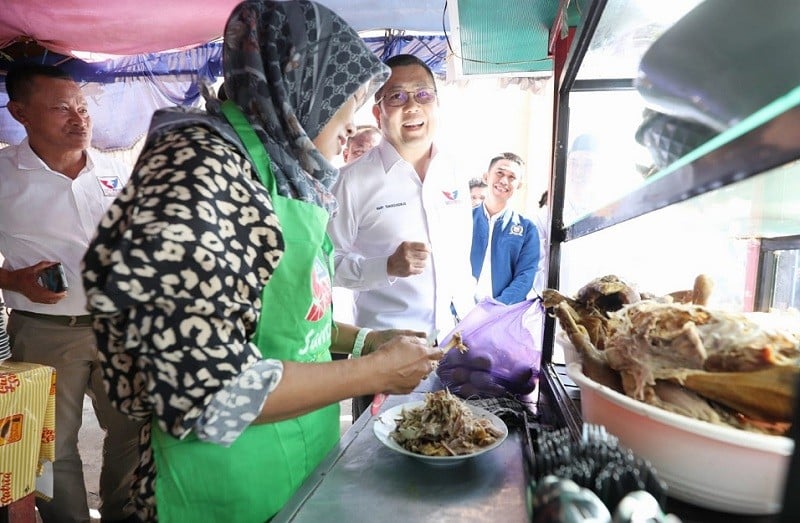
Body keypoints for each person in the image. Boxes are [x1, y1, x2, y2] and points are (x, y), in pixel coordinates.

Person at [80, 2, 443, 521]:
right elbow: (210, 393)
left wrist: (366, 341)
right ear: (298, 83)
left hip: (296, 472)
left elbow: (292, 318)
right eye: (346, 98)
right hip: (219, 489)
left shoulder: (283, 169)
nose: (352, 122)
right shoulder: (197, 171)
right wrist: (372, 372)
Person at [0, 63, 142, 523]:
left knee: (132, 432)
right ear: (20, 113)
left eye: (82, 107)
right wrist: (14, 281)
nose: (79, 119)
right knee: (53, 446)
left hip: (119, 328)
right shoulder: (3, 176)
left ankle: (122, 514)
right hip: (45, 333)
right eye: (62, 108)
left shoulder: (115, 170)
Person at [327, 54, 475, 419]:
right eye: (397, 97)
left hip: (455, 350)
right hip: (386, 357)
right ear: (378, 112)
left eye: (422, 95)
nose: (412, 106)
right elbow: (325, 265)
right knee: (381, 462)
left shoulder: (455, 171)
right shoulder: (351, 181)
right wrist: (386, 266)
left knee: (451, 452)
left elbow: (461, 259)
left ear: (437, 105)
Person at [471, 152, 540, 305]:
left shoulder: (527, 229)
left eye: (512, 177)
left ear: (519, 185)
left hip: (502, 315)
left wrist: (498, 308)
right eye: (499, 173)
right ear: (486, 176)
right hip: (458, 313)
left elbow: (525, 276)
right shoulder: (463, 219)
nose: (503, 181)